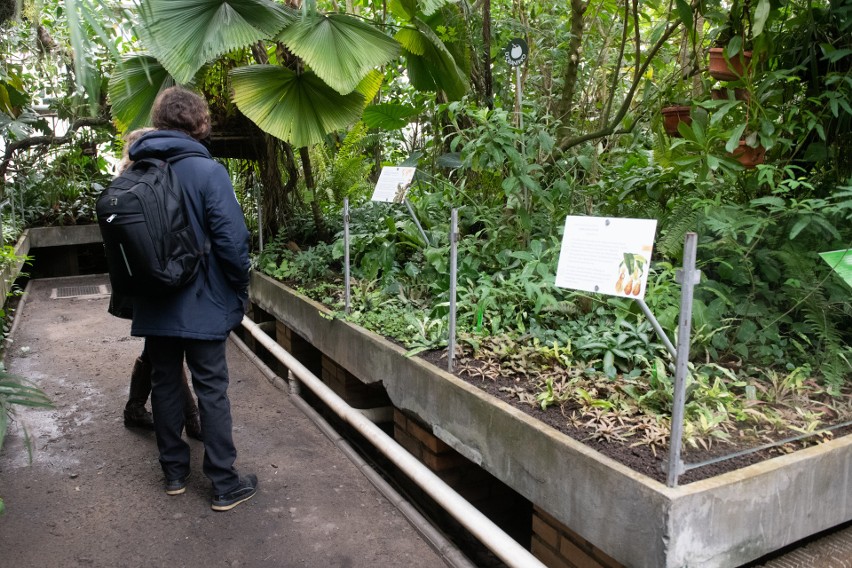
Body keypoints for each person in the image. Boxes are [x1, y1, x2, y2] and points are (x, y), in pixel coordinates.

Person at [126, 86, 256, 511]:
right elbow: (232, 242)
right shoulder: (208, 172)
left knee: (164, 383)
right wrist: (239, 287)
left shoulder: (134, 169)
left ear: (159, 121)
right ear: (201, 123)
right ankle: (223, 483)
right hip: (203, 300)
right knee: (211, 387)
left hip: (155, 299)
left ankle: (175, 475)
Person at [111, 127, 202, 441]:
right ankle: (191, 419)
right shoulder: (148, 183)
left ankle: (135, 408)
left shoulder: (123, 181)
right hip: (154, 280)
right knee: (167, 352)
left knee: (157, 347)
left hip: (133, 282)